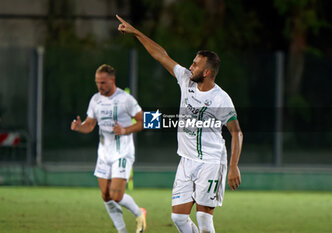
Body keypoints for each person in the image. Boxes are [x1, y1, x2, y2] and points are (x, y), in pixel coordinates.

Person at [116, 15, 243, 233]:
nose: (190, 66)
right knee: (178, 218)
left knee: (204, 219)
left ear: (207, 72)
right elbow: (160, 55)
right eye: (192, 62)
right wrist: (136, 33)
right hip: (186, 160)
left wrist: (232, 166)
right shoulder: (185, 80)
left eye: (195, 65)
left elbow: (237, 132)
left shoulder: (221, 99)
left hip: (211, 162)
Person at [71, 64, 146, 233]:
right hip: (104, 154)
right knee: (105, 196)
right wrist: (79, 127)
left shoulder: (126, 99)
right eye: (97, 82)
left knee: (116, 196)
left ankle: (138, 212)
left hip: (123, 152)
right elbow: (89, 125)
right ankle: (122, 231)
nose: (100, 86)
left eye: (103, 82)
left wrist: (125, 130)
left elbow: (145, 121)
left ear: (112, 80)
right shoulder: (95, 100)